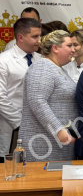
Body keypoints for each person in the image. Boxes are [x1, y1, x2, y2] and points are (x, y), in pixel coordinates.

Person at [18, 30, 77, 162]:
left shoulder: (57, 68)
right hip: (42, 144)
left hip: (56, 144)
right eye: (69, 46)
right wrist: (58, 129)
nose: (73, 50)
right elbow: (37, 101)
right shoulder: (43, 67)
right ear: (55, 48)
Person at [0, 18, 41, 163]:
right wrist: (19, 123)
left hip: (36, 126)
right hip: (11, 125)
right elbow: (0, 98)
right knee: (9, 168)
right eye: (35, 36)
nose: (39, 40)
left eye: (40, 36)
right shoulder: (3, 61)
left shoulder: (41, 59)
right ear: (21, 37)